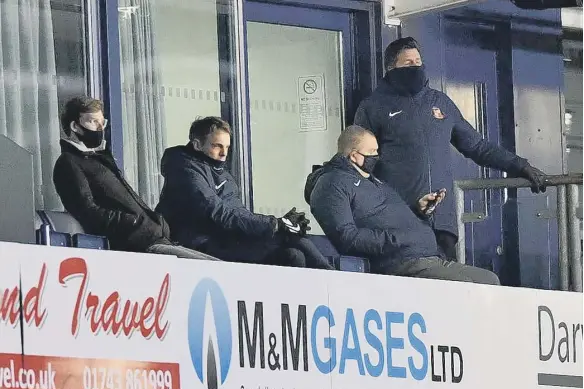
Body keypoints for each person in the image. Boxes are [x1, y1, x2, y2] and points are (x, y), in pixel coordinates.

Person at [354, 37, 547, 261]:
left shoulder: (440, 102)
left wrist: (520, 166)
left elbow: (477, 146)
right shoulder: (372, 107)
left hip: (442, 223)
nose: (416, 67)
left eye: (418, 61)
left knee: (449, 287)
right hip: (399, 223)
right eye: (408, 63)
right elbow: (360, 164)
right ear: (391, 68)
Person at [305, 125, 500, 285]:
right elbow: (346, 237)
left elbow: (386, 216)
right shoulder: (330, 184)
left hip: (429, 257)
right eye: (371, 152)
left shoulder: (372, 180)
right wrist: (396, 240)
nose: (376, 157)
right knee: (467, 286)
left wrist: (419, 211)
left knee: (490, 280)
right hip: (401, 263)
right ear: (354, 155)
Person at [155, 116, 333, 270]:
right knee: (290, 239)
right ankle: (336, 282)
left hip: (223, 240)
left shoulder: (223, 175)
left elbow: (238, 214)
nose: (224, 153)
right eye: (217, 146)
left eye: (227, 147)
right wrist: (275, 224)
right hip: (196, 244)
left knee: (292, 256)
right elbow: (218, 213)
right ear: (197, 145)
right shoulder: (184, 170)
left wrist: (279, 223)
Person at [53, 96, 217, 260]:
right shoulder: (69, 163)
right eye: (93, 121)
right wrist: (134, 223)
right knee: (212, 268)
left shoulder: (99, 159)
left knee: (218, 267)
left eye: (102, 123)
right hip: (137, 245)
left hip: (154, 239)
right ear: (75, 126)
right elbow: (87, 211)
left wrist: (155, 223)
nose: (99, 128)